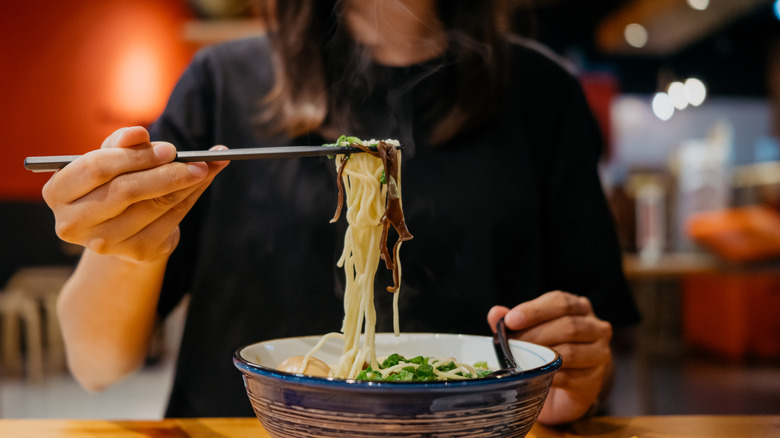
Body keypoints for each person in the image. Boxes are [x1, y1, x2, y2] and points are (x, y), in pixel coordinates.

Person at [43, 0, 639, 425]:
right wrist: (124, 244)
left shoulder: (543, 94)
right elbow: (96, 363)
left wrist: (580, 373)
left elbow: (594, 348)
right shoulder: (222, 84)